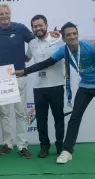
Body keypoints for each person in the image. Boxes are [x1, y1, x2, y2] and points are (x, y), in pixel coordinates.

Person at [23, 22, 95, 164]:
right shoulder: (63, 50)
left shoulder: (91, 47)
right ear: (63, 39)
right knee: (75, 118)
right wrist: (24, 72)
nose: (72, 37)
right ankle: (67, 151)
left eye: (74, 34)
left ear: (78, 35)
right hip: (84, 86)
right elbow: (46, 63)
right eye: (68, 35)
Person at [0, 3, 59, 158]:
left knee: (20, 112)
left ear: (10, 15)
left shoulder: (21, 29)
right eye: (1, 14)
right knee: (4, 113)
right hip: (0, 78)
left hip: (19, 76)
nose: (4, 16)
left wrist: (52, 34)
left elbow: (37, 41)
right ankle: (8, 143)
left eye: (6, 13)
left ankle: (22, 145)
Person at [25, 15, 66, 158]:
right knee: (41, 119)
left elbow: (74, 44)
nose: (38, 28)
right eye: (35, 26)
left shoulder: (58, 39)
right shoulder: (31, 43)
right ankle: (44, 145)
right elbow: (26, 58)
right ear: (32, 29)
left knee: (58, 117)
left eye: (40, 25)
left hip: (57, 85)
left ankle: (60, 144)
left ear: (47, 25)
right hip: (39, 87)